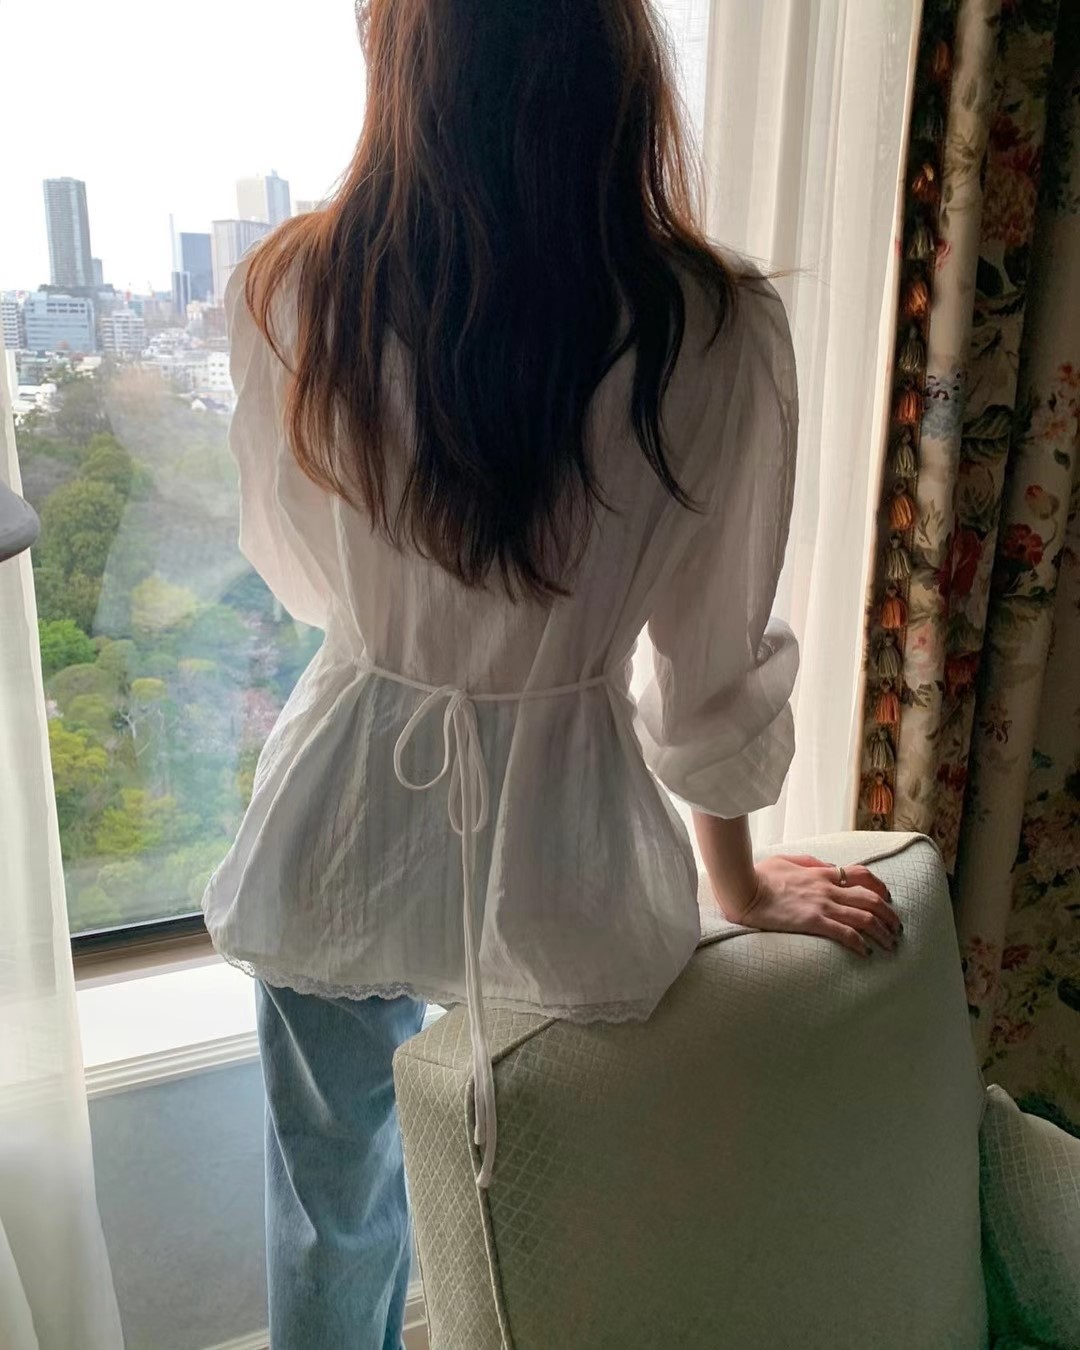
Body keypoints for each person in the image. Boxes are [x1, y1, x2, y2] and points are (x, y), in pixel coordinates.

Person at [201, 1, 902, 1345]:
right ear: (613, 67)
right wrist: (738, 881)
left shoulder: (297, 288)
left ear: (404, 67)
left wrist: (419, 625)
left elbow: (296, 573)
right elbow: (710, 666)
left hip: (339, 805)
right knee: (564, 1207)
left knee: (333, 1207)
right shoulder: (710, 326)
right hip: (569, 844)